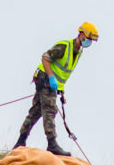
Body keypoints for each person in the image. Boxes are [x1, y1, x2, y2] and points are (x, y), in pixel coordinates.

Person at [13, 22, 99, 155]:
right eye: (88, 39)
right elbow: (45, 58)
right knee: (49, 110)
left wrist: (61, 91)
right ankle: (52, 144)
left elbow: (63, 73)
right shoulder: (64, 46)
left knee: (36, 112)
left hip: (52, 82)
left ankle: (20, 142)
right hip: (44, 78)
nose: (89, 42)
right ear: (81, 34)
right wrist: (51, 78)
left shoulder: (79, 52)